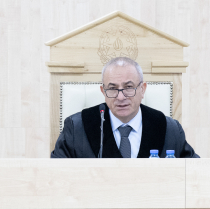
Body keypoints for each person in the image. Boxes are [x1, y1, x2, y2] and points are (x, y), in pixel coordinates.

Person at [50, 57, 199, 158]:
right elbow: (56, 176)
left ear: (143, 89)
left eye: (128, 87)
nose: (120, 97)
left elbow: (194, 173)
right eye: (112, 89)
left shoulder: (169, 129)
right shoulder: (77, 128)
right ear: (103, 92)